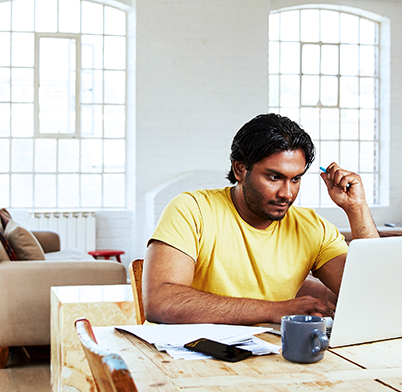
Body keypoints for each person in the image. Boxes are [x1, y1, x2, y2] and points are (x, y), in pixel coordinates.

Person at [144, 113, 379, 325]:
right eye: (274, 177)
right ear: (240, 169)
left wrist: (357, 209)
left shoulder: (313, 228)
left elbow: (372, 294)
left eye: (296, 179)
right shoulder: (192, 209)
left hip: (270, 358)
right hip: (191, 357)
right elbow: (162, 303)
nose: (287, 193)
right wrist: (274, 310)